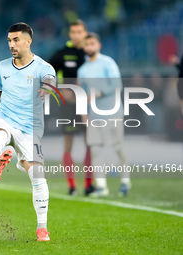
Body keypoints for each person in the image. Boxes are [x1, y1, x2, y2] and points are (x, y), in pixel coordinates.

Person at [0, 23, 55, 241]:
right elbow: (0, 91)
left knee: (37, 175)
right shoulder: (2, 66)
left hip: (29, 128)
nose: (11, 45)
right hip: (5, 117)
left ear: (28, 41)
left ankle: (41, 228)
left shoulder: (43, 67)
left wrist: (46, 88)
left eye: (16, 40)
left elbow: (51, 81)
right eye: (9, 40)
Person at [78, 33, 131, 197]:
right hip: (94, 116)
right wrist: (84, 113)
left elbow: (117, 85)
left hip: (113, 112)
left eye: (92, 44)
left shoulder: (108, 63)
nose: (89, 47)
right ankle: (102, 187)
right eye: (87, 45)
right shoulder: (83, 70)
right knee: (96, 150)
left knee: (118, 148)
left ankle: (125, 181)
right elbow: (82, 94)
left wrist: (97, 94)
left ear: (98, 45)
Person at [48, 19, 94, 196]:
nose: (76, 35)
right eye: (73, 32)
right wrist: (60, 90)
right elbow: (47, 74)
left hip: (88, 105)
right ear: (70, 34)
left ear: (85, 32)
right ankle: (72, 186)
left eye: (79, 32)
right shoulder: (61, 54)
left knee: (90, 144)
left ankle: (89, 185)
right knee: (68, 145)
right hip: (69, 105)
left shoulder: (90, 53)